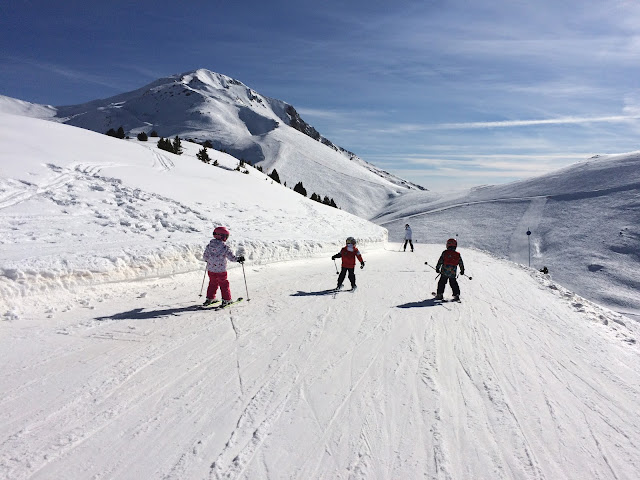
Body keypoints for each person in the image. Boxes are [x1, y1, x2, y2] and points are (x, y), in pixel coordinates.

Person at [202, 226, 245, 307]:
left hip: (211, 270)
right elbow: (232, 258)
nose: (226, 238)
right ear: (221, 236)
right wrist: (239, 259)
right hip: (221, 271)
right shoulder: (224, 247)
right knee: (224, 284)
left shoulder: (209, 246)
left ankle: (210, 298)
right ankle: (226, 299)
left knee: (212, 283)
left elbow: (205, 257)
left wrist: (209, 260)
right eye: (226, 236)